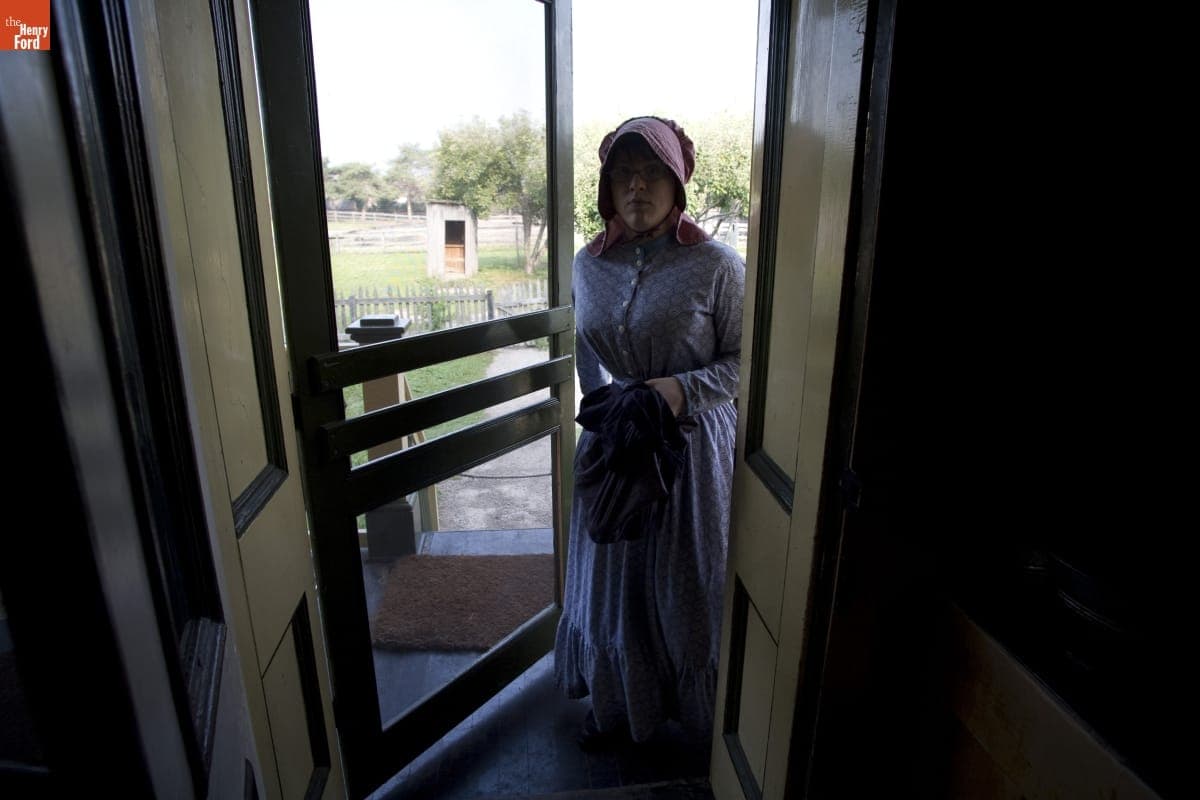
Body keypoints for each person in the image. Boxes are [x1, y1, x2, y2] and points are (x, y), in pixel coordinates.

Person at [554, 116, 745, 747]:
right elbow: (585, 343)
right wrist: (601, 408)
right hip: (618, 440)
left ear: (677, 182)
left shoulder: (717, 265)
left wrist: (680, 390)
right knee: (615, 574)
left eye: (652, 173)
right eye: (624, 174)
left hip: (690, 446)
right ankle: (618, 705)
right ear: (608, 187)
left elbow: (745, 362)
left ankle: (693, 715)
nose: (637, 187)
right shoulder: (589, 264)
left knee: (681, 577)